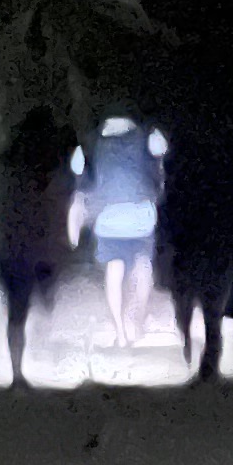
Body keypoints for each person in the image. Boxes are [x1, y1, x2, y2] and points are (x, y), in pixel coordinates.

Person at [158, 104, 233, 384]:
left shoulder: (185, 167)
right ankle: (207, 361)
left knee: (190, 297)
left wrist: (168, 239)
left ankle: (193, 352)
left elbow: (172, 205)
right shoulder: (232, 170)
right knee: (212, 307)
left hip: (194, 241)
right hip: (219, 242)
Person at [0, 104, 76, 387]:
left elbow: (0, 208)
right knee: (44, 299)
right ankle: (41, 349)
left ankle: (17, 372)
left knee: (16, 313)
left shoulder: (8, 167)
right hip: (40, 248)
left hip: (12, 248)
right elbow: (57, 209)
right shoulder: (51, 171)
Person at [71, 110, 169, 350]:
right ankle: (136, 321)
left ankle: (120, 332)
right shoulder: (147, 136)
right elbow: (162, 166)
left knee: (114, 268)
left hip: (108, 215)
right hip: (141, 214)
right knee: (143, 264)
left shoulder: (91, 143)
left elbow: (79, 177)